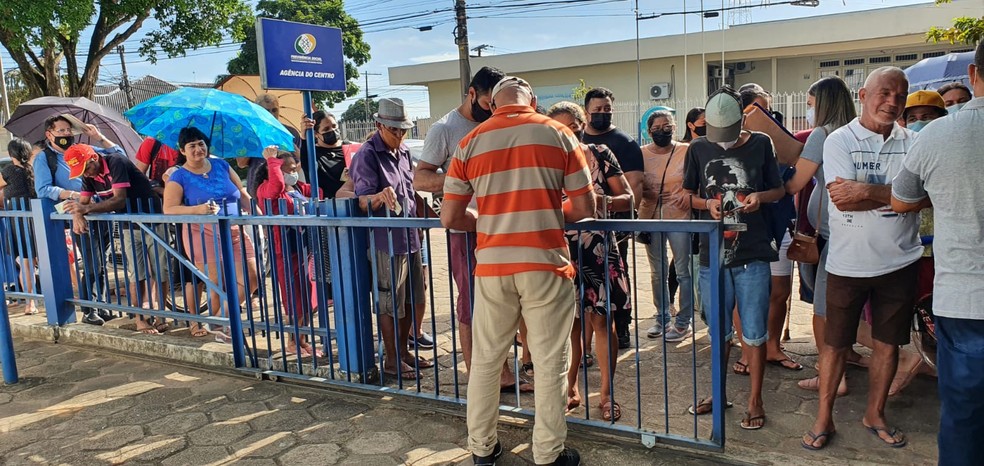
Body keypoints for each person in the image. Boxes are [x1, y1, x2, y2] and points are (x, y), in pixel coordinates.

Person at [443, 75, 592, 466]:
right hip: (546, 265)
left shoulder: (469, 142)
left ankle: (482, 449)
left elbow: (451, 216)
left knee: (487, 361)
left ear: (491, 104)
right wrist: (544, 213)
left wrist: (491, 217)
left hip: (492, 267)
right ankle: (547, 454)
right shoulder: (559, 134)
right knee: (549, 363)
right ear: (535, 100)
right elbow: (585, 207)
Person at [802, 67, 922, 450]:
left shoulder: (914, 142)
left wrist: (869, 191)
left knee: (888, 344)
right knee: (835, 345)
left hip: (901, 261)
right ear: (863, 95)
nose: (892, 102)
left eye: (900, 96)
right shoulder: (839, 140)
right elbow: (840, 196)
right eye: (884, 93)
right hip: (847, 264)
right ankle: (823, 418)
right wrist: (898, 197)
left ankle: (875, 413)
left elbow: (926, 196)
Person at [412, 65, 535, 391]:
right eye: (488, 101)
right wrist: (462, 178)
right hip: (467, 230)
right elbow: (420, 177)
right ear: (471, 94)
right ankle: (481, 376)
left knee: (512, 302)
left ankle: (507, 370)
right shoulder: (446, 129)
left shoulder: (501, 122)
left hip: (507, 227)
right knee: (472, 304)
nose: (493, 108)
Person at [891, 40, 984, 466]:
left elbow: (902, 197)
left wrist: (944, 194)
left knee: (964, 416)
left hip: (965, 299)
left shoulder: (941, 136)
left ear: (973, 75)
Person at [682, 87, 785, 431]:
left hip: (753, 252)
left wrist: (759, 197)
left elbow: (779, 190)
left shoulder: (761, 144)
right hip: (712, 254)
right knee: (718, 333)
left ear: (743, 117)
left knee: (754, 333)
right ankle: (718, 391)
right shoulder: (697, 147)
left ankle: (756, 399)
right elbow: (688, 195)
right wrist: (706, 205)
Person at [548, 101, 632, 422]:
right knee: (570, 323)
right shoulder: (545, 161)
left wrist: (596, 203)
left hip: (596, 248)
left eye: (572, 127)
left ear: (583, 126)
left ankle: (607, 394)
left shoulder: (599, 154)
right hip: (560, 249)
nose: (566, 135)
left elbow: (628, 199)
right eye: (559, 129)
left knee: (601, 321)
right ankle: (570, 388)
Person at [784, 76, 865, 396]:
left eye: (810, 105)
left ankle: (832, 376)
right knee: (846, 303)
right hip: (857, 228)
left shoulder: (823, 134)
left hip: (832, 231)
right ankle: (846, 359)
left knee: (822, 309)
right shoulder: (859, 130)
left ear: (824, 104)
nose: (808, 112)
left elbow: (796, 182)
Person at [349, 98, 432, 380]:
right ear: (379, 125)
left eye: (403, 131)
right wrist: (376, 198)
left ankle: (405, 351)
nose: (399, 135)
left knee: (411, 297)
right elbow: (361, 200)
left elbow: (411, 191)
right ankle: (392, 360)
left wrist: (431, 215)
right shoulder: (367, 155)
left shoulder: (405, 152)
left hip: (410, 235)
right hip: (385, 239)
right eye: (394, 130)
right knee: (390, 301)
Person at [162, 127, 260, 342]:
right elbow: (169, 208)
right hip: (201, 232)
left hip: (233, 227)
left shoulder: (222, 165)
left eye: (201, 144)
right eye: (192, 146)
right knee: (216, 283)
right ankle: (223, 329)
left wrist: (258, 214)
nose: (198, 149)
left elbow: (241, 192)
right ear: (182, 150)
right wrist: (197, 210)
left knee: (252, 277)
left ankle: (219, 320)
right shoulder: (179, 176)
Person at [63, 143, 168, 334]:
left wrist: (85, 209)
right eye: (81, 171)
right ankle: (141, 319)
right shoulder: (89, 176)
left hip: (152, 219)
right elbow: (83, 203)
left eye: (87, 168)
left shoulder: (116, 162)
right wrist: (78, 214)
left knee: (159, 270)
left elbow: (119, 199)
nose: (86, 174)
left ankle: (161, 315)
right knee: (137, 273)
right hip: (128, 225)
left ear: (94, 158)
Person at [34, 114, 125, 326]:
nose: (67, 135)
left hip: (101, 210)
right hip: (78, 213)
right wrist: (75, 196)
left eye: (69, 131)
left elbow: (118, 154)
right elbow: (43, 189)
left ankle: (101, 306)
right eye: (61, 131)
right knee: (92, 261)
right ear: (50, 134)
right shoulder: (45, 158)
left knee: (102, 261)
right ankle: (89, 308)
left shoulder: (85, 151)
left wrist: (99, 137)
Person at [581, 87, 643, 349]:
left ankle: (622, 327)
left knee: (617, 278)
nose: (602, 114)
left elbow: (634, 186)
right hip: (579, 229)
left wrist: (622, 217)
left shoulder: (623, 142)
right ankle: (585, 341)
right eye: (597, 110)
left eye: (607, 109)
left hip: (613, 225)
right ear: (587, 112)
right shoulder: (576, 139)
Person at [257, 146, 320, 356]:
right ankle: (293, 341)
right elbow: (276, 188)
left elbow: (318, 191)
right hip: (285, 250)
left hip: (306, 249)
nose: (293, 172)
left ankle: (301, 340)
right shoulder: (266, 189)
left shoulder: (299, 188)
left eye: (294, 168)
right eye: (288, 169)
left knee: (308, 297)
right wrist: (272, 161)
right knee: (294, 298)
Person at [639, 109, 694, 342]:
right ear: (648, 130)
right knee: (657, 272)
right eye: (657, 127)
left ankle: (684, 321)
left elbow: (696, 178)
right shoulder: (640, 153)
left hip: (679, 216)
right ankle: (662, 318)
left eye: (668, 126)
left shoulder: (686, 150)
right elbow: (632, 180)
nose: (663, 131)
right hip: (650, 216)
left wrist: (688, 193)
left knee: (683, 271)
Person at [0, 138, 39, 315]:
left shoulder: (9, 170)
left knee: (25, 262)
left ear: (11, 154)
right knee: (32, 261)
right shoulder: (32, 170)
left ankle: (30, 302)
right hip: (34, 218)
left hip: (19, 221)